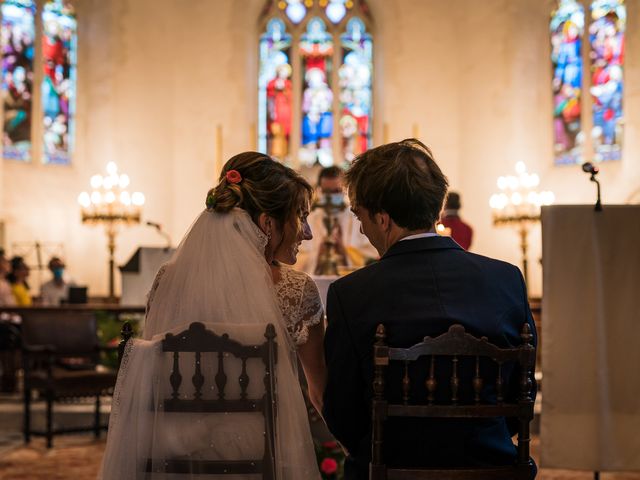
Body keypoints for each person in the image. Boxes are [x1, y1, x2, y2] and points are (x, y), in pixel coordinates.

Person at [322, 139, 537, 479]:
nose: (361, 228)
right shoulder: (506, 279)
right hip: (490, 467)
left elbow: (342, 413)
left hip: (388, 468)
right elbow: (520, 395)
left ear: (383, 218)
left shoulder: (351, 293)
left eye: (360, 216)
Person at [101, 152, 324, 479]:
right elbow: (320, 394)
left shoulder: (167, 280)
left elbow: (156, 376)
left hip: (173, 458)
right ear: (267, 223)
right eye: (300, 217)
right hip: (260, 461)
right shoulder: (297, 290)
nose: (307, 233)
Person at [297, 166, 376, 275]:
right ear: (319, 191)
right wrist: (318, 254)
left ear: (345, 190)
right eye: (326, 191)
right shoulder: (309, 220)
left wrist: (344, 252)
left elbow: (371, 256)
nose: (330, 197)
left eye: (336, 191)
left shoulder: (358, 219)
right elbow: (296, 257)